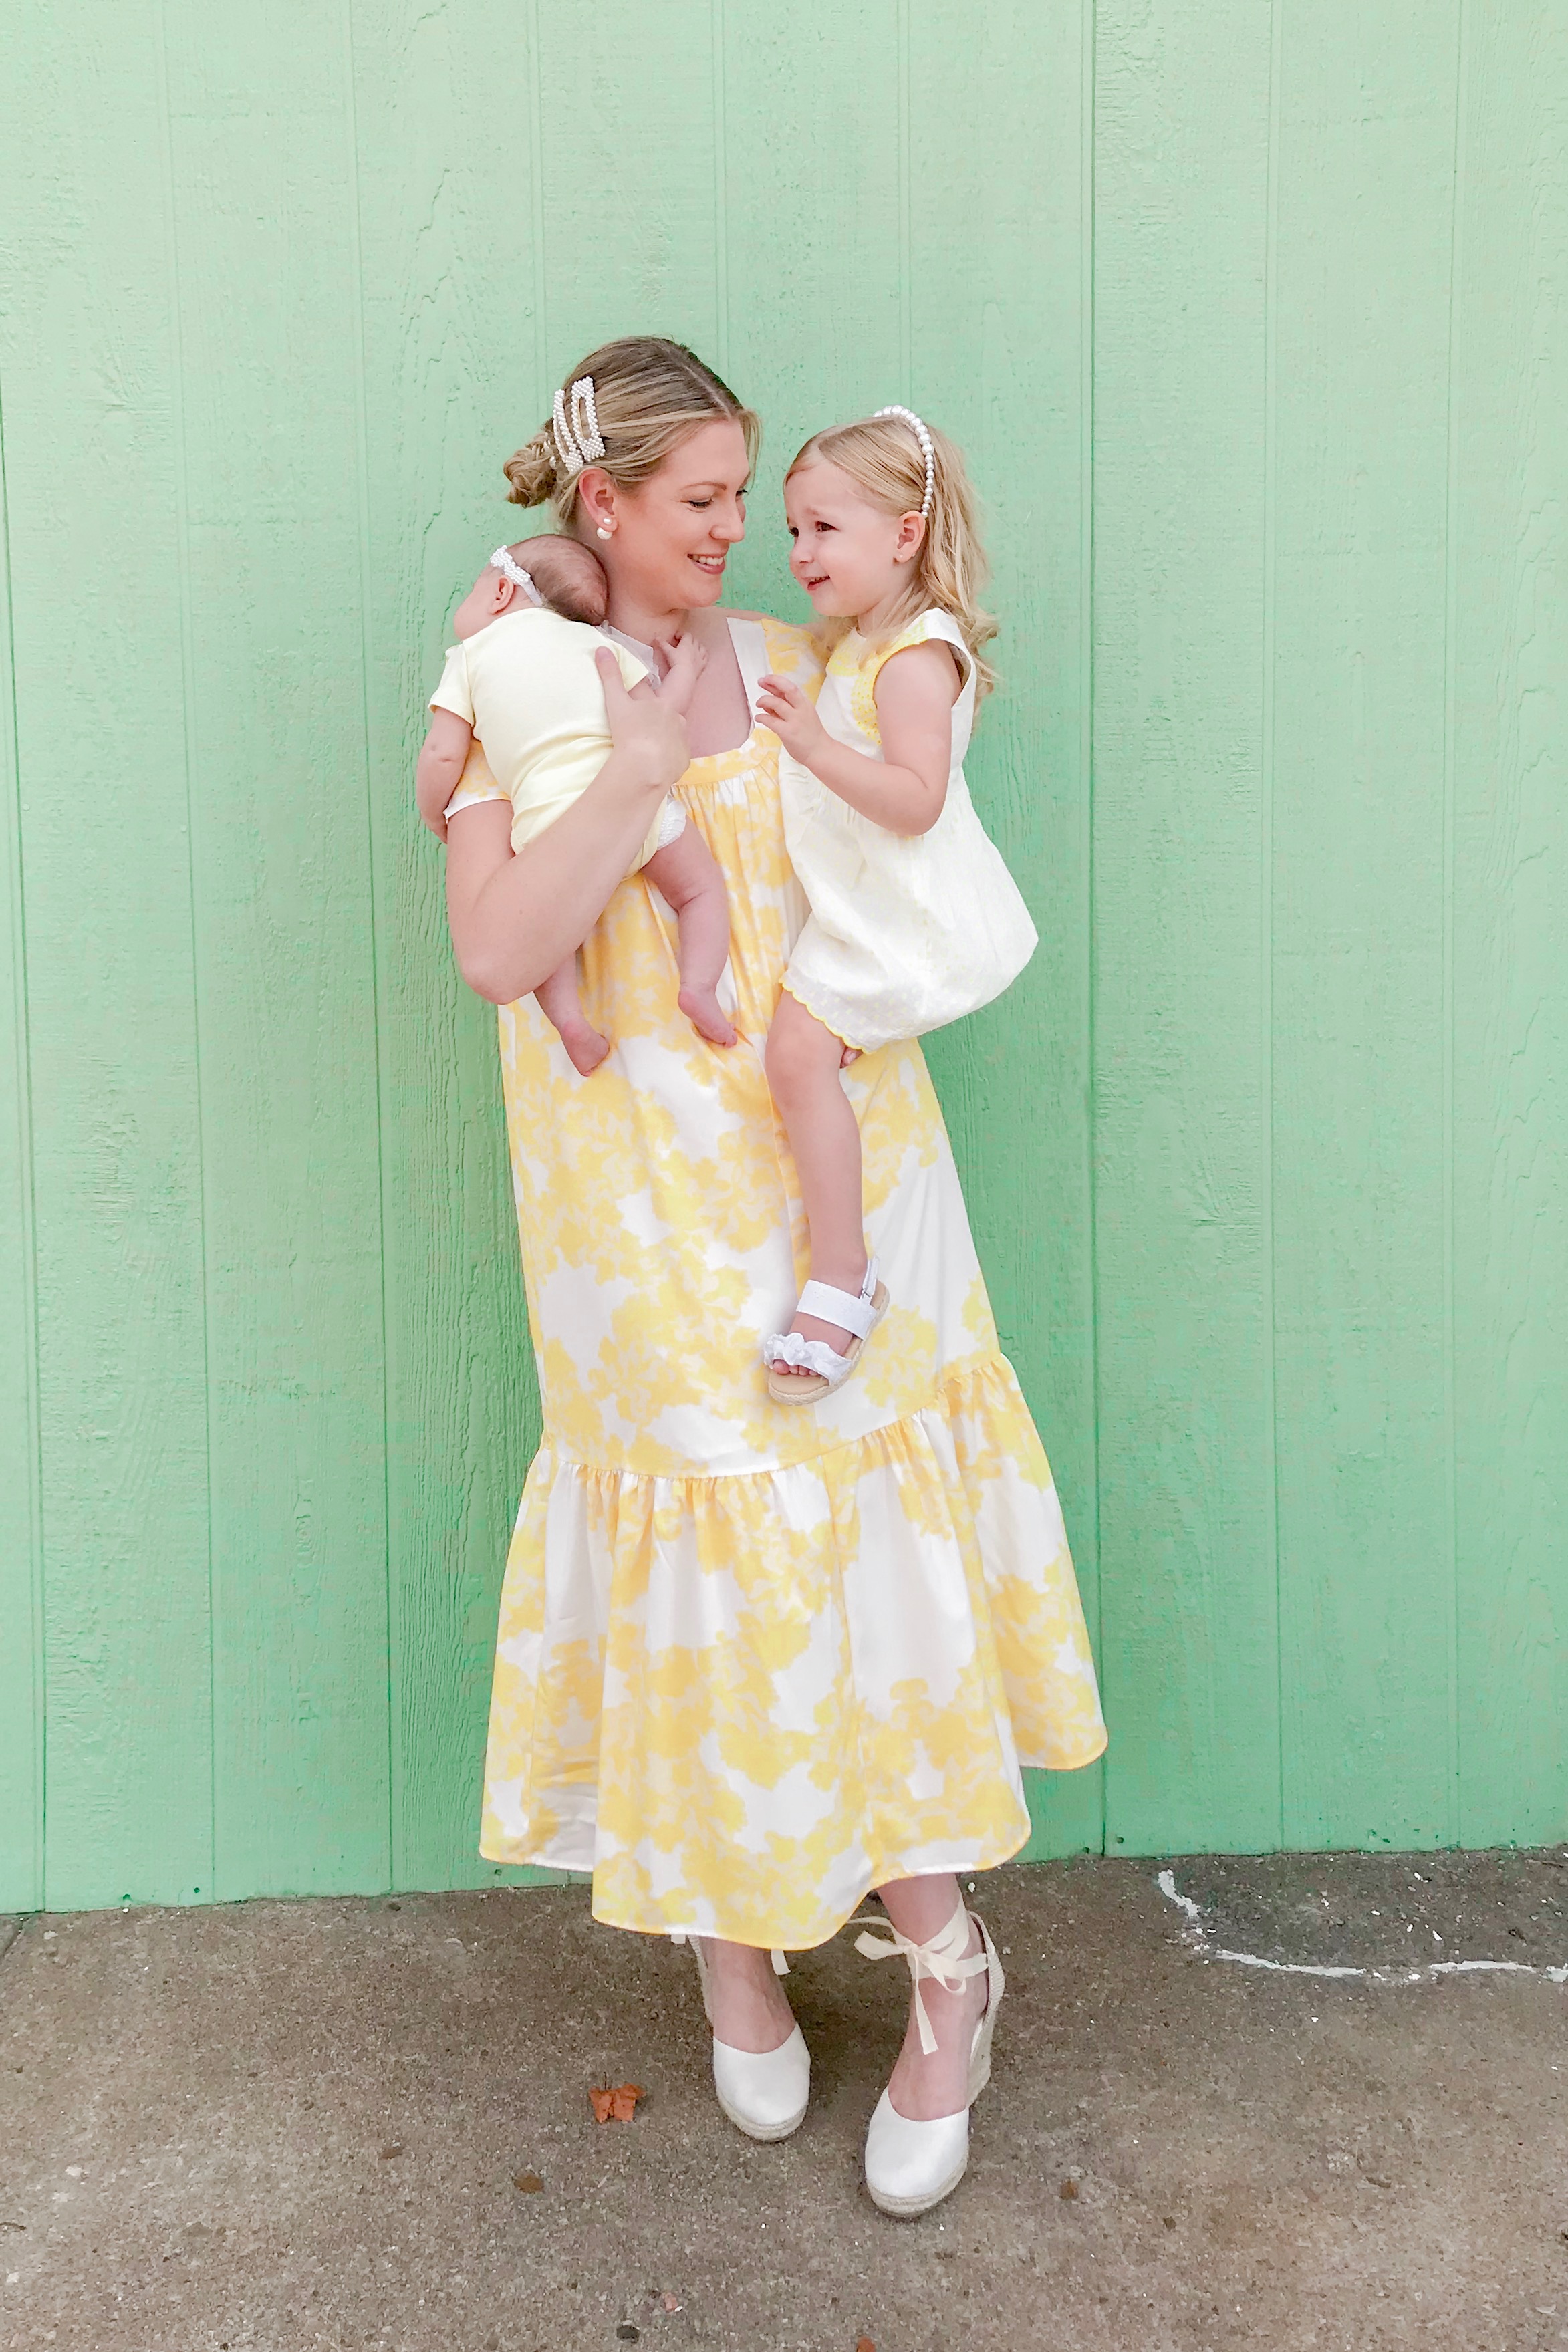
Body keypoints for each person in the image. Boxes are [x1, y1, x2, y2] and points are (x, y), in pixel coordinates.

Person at [436, 336, 1106, 2219]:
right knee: (709, 1554)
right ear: (605, 503)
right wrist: (632, 749)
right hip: (623, 1193)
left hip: (833, 1166)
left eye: (750, 498)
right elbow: (498, 944)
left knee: (859, 1547)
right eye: (702, 501)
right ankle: (728, 1942)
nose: (736, 531)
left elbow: (903, 813)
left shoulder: (808, 652)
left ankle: (947, 1966)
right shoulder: (515, 669)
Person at [756, 407, 1039, 1403]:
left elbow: (914, 803)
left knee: (793, 1053)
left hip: (896, 916)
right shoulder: (864, 639)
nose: (798, 552)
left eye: (823, 528)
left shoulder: (916, 656)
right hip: (862, 905)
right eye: (792, 529)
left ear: (904, 533)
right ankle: (839, 1264)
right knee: (799, 1056)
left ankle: (842, 1272)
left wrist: (814, 748)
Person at [415, 530, 733, 1076]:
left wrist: (432, 810)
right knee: (700, 890)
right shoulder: (599, 648)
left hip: (549, 822)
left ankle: (572, 1024)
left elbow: (444, 753)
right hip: (641, 809)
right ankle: (700, 986)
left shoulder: (469, 658)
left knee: (551, 936)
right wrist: (685, 673)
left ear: (498, 594)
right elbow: (658, 715)